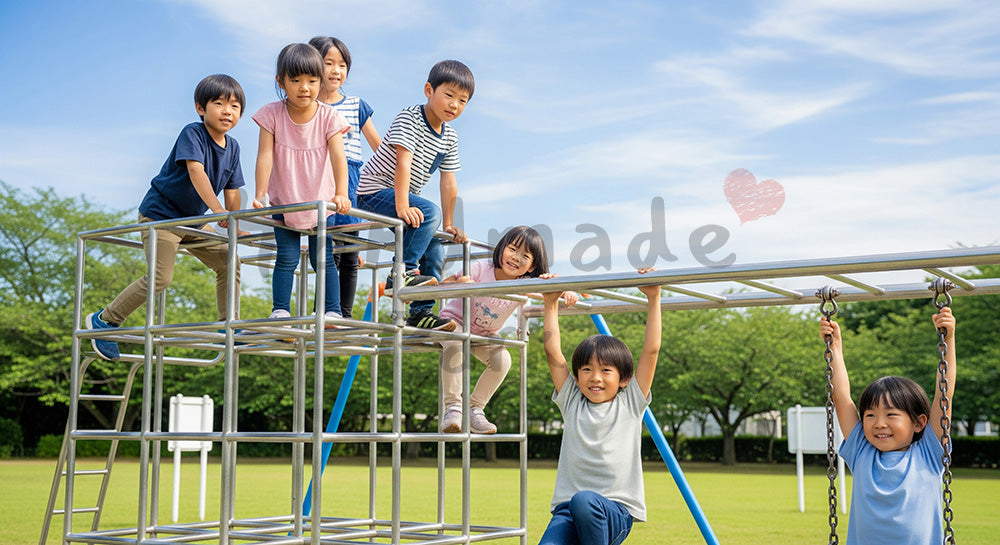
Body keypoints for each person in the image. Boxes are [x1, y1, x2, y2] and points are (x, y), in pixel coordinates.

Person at [85, 74, 247, 361]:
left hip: (193, 220)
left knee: (228, 257)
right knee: (160, 278)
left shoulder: (233, 148)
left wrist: (233, 221)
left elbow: (233, 191)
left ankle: (228, 326)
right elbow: (196, 171)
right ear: (200, 108)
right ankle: (105, 321)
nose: (227, 111)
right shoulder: (193, 133)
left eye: (234, 106)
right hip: (161, 216)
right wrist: (219, 211)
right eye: (219, 103)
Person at [539, 268, 661, 545]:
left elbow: (651, 350)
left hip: (615, 511)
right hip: (568, 511)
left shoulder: (630, 403)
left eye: (606, 370)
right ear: (577, 375)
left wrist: (654, 298)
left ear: (624, 378)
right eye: (586, 369)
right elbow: (552, 352)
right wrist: (550, 302)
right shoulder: (572, 401)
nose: (595, 377)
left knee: (585, 500)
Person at [819, 307, 956, 545]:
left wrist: (949, 339)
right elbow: (841, 398)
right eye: (870, 415)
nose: (879, 424)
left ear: (918, 422)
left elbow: (944, 396)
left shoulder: (928, 454)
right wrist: (835, 348)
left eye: (891, 414)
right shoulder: (862, 452)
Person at [357, 59, 474, 331]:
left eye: (463, 100)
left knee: (435, 249)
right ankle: (402, 272)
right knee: (428, 212)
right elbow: (403, 163)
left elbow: (449, 182)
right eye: (449, 95)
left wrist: (448, 224)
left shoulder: (450, 137)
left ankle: (420, 313)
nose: (454, 105)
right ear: (429, 90)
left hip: (403, 197)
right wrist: (401, 205)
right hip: (373, 191)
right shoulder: (410, 116)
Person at [437, 226, 578, 434]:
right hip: (454, 322)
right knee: (455, 342)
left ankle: (474, 408)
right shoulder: (480, 268)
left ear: (532, 266)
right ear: (502, 248)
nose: (516, 258)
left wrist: (566, 289)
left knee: (503, 361)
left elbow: (549, 288)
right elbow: (441, 286)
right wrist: (459, 284)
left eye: (525, 256)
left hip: (484, 334)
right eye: (513, 249)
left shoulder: (525, 283)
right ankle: (453, 407)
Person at [252, 43, 352, 328]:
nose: (304, 87)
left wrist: (341, 193)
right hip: (284, 198)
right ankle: (280, 310)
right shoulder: (271, 114)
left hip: (320, 201)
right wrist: (260, 193)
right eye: (295, 80)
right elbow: (265, 155)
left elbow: (338, 157)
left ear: (321, 81)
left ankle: (332, 311)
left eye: (311, 80)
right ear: (280, 81)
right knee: (286, 256)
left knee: (322, 259)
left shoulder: (329, 116)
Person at [309, 36, 381, 318]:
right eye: (328, 63)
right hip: (318, 177)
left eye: (342, 65)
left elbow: (378, 146)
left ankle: (344, 315)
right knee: (323, 250)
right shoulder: (308, 105)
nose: (335, 70)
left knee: (350, 251)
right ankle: (325, 312)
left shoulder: (355, 104)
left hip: (350, 176)